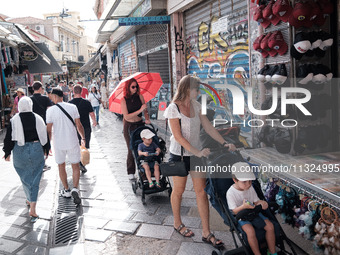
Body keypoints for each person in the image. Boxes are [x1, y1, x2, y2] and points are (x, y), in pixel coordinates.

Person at [163, 75, 236, 249]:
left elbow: (209, 128)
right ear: (187, 88)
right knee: (178, 191)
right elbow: (178, 137)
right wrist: (197, 151)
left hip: (196, 156)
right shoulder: (174, 108)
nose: (198, 91)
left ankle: (206, 231)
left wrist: (224, 143)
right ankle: (177, 223)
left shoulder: (196, 106)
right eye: (196, 88)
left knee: (201, 193)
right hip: (179, 155)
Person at [2, 97, 50, 223]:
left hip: (19, 150)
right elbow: (44, 135)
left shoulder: (14, 120)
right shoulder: (38, 118)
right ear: (30, 105)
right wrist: (46, 148)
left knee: (25, 177)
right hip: (36, 149)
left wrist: (7, 152)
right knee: (35, 178)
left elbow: (9, 138)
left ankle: (31, 202)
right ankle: (31, 204)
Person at [227, 162, 276, 255]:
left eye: (250, 181)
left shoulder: (250, 187)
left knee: (270, 226)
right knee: (250, 232)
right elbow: (234, 211)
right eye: (244, 182)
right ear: (235, 180)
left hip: (254, 212)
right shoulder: (230, 193)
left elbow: (256, 201)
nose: (248, 184)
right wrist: (243, 206)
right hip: (242, 216)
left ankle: (272, 252)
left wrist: (262, 202)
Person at [46, 89, 86, 205]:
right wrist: (83, 138)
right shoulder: (72, 107)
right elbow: (79, 125)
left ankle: (67, 190)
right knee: (75, 165)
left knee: (61, 166)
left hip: (58, 143)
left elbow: (49, 130)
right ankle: (75, 188)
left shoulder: (50, 111)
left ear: (54, 96)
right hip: (72, 140)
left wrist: (48, 144)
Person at [121, 78, 150, 180]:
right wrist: (140, 110)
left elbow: (145, 109)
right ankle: (131, 171)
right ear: (128, 88)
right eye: (133, 87)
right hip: (129, 126)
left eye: (136, 86)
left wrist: (147, 118)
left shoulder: (140, 97)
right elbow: (127, 116)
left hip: (139, 125)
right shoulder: (124, 100)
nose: (135, 88)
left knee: (142, 147)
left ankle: (143, 171)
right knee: (131, 148)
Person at [69, 85, 97, 173]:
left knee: (76, 145)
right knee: (84, 145)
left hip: (74, 127)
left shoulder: (69, 103)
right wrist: (94, 121)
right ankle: (82, 163)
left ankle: (78, 162)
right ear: (81, 92)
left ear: (73, 92)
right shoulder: (86, 102)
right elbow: (92, 114)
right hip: (86, 127)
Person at [30, 81, 53, 171]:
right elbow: (49, 111)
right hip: (43, 123)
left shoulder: (29, 99)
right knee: (43, 142)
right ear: (40, 88)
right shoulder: (45, 99)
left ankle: (35, 162)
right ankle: (42, 162)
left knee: (34, 142)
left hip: (32, 124)